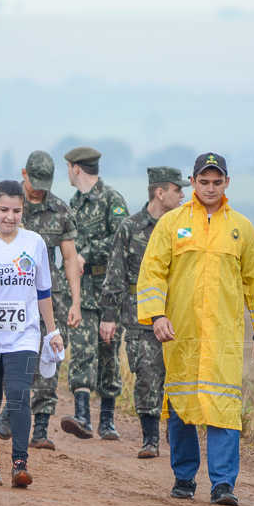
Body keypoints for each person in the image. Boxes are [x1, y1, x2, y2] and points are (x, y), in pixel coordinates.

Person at [137, 152, 254, 506]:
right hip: (182, 331)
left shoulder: (242, 228)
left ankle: (223, 484)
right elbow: (152, 273)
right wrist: (156, 315)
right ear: (192, 182)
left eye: (217, 182)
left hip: (223, 332)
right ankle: (184, 477)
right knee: (181, 403)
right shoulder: (172, 223)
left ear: (227, 184)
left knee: (223, 406)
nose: (210, 188)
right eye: (203, 181)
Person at [0, 180, 65, 486]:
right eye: (4, 209)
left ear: (23, 211)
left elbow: (43, 290)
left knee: (19, 396)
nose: (10, 216)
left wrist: (52, 331)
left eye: (17, 211)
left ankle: (20, 464)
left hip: (24, 335)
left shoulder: (34, 243)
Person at [0, 151, 83, 449]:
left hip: (48, 297)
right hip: (10, 298)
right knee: (14, 359)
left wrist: (76, 301)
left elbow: (68, 258)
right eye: (34, 181)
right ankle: (11, 411)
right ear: (24, 174)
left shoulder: (61, 211)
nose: (39, 188)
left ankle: (40, 428)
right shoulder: (6, 206)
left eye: (45, 183)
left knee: (50, 359)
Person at [100, 166, 188, 458]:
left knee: (176, 378)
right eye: (178, 189)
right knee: (147, 377)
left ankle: (174, 435)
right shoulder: (131, 227)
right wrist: (108, 316)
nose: (183, 195)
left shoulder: (184, 227)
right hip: (139, 317)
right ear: (160, 193)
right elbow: (115, 272)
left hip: (178, 315)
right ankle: (150, 439)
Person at [60, 146, 129, 441]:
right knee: (82, 352)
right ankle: (83, 417)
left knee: (109, 353)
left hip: (108, 292)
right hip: (80, 294)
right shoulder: (71, 205)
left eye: (68, 168)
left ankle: (108, 421)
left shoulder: (111, 199)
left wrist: (86, 254)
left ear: (76, 168)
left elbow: (121, 240)